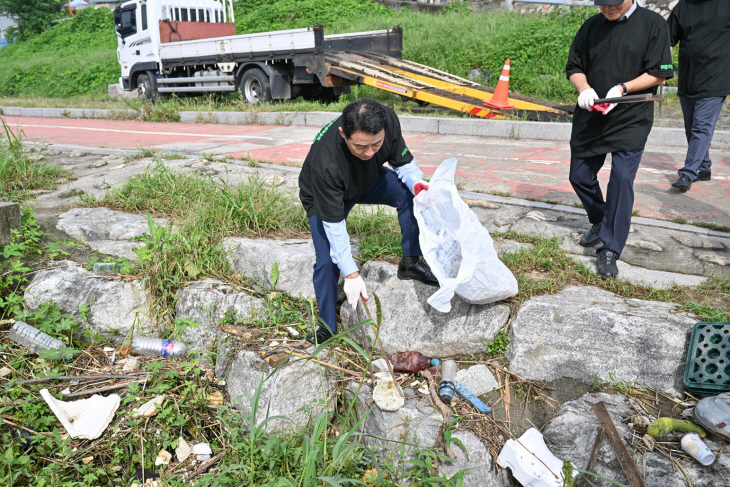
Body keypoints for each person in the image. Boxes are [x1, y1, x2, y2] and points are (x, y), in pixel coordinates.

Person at [298, 98, 438, 345]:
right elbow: (335, 225)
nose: (370, 152)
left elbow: (403, 163)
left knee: (409, 195)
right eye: (361, 146)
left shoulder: (387, 118)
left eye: (377, 145)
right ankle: (326, 326)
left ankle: (411, 261)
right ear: (343, 134)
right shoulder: (326, 163)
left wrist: (419, 186)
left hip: (369, 178)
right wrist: (351, 274)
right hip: (325, 193)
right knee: (327, 258)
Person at [566, 0, 674, 279]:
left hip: (630, 117)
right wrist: (584, 88)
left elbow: (659, 74)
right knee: (579, 176)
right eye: (602, 4)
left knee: (621, 180)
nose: (608, 9)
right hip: (592, 114)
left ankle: (611, 248)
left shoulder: (653, 24)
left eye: (614, 3)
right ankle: (601, 218)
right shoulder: (591, 26)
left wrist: (622, 89)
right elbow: (574, 66)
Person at [668, 0, 730, 192]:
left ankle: (688, 173)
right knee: (691, 127)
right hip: (688, 78)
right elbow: (667, 42)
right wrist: (661, 69)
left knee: (701, 126)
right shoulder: (683, 6)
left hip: (716, 78)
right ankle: (703, 167)